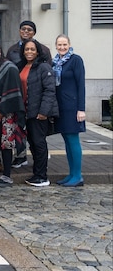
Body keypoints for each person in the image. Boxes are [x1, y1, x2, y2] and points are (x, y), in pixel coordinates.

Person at [18, 39, 59, 187]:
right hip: (26, 112)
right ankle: (37, 173)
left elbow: (49, 90)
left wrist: (44, 112)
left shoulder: (43, 67)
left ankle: (42, 176)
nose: (29, 52)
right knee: (33, 143)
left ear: (37, 51)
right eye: (27, 49)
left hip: (38, 113)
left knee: (39, 143)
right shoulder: (23, 66)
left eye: (32, 49)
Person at [0, 42, 26, 188]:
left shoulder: (10, 68)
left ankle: (7, 175)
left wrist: (2, 110)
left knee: (6, 143)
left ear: (0, 52)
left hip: (7, 112)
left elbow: (14, 91)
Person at [53, 34, 86, 187]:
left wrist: (81, 109)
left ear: (69, 44)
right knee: (66, 141)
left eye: (64, 44)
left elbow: (81, 85)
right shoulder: (56, 62)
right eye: (59, 45)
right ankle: (71, 173)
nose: (62, 47)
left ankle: (78, 176)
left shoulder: (75, 60)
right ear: (56, 46)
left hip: (72, 107)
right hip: (61, 107)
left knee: (73, 140)